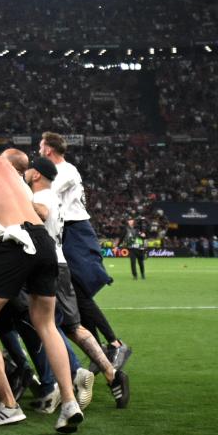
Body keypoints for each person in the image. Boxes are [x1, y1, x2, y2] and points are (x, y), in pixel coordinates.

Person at [0, 132, 84, 433]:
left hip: (17, 242)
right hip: (44, 241)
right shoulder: (3, 163)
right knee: (46, 324)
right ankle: (71, 402)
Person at [27, 158, 130, 409]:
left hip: (48, 265)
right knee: (73, 326)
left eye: (30, 168)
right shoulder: (53, 196)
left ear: (37, 174)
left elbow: (42, 212)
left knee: (45, 325)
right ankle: (112, 373)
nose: (26, 172)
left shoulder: (44, 197)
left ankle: (65, 379)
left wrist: (19, 203)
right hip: (59, 264)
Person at [40, 132, 131, 370]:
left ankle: (114, 343)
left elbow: (47, 194)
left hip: (76, 233)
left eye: (41, 146)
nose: (39, 151)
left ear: (49, 150)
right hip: (68, 233)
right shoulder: (62, 171)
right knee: (74, 295)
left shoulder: (66, 171)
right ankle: (103, 346)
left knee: (78, 292)